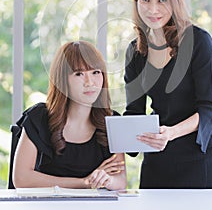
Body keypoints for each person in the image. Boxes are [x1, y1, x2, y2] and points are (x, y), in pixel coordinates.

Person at [123, 0, 212, 189]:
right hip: (157, 164)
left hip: (199, 163)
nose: (153, 9)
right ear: (136, 1)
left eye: (162, 0)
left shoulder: (199, 42)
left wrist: (171, 133)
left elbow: (209, 109)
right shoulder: (135, 52)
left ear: (175, 0)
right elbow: (134, 112)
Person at [13, 40, 127, 190]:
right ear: (62, 80)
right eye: (79, 74)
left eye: (96, 72)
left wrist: (106, 180)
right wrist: (84, 183)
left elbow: (120, 181)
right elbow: (21, 179)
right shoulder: (38, 118)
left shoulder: (112, 122)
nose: (89, 82)